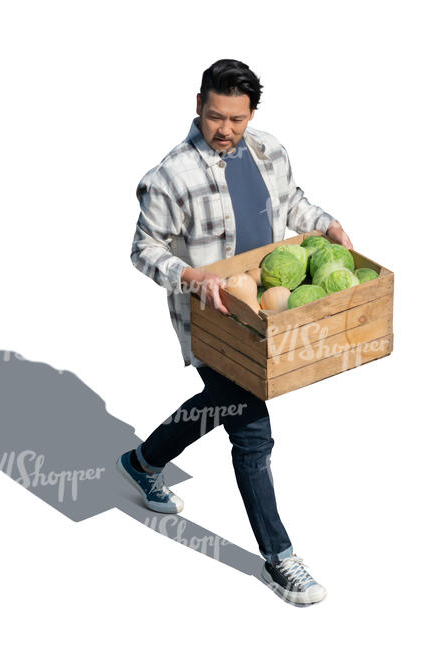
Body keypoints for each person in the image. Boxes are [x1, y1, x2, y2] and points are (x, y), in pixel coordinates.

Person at [116, 59, 352, 605]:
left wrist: (325, 224)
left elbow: (291, 203)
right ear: (198, 105)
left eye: (237, 119)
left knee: (219, 405)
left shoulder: (268, 151)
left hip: (264, 314)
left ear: (252, 114)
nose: (225, 129)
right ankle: (280, 558)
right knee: (252, 431)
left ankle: (142, 462)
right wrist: (189, 275)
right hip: (213, 321)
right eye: (216, 116)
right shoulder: (171, 175)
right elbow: (142, 249)